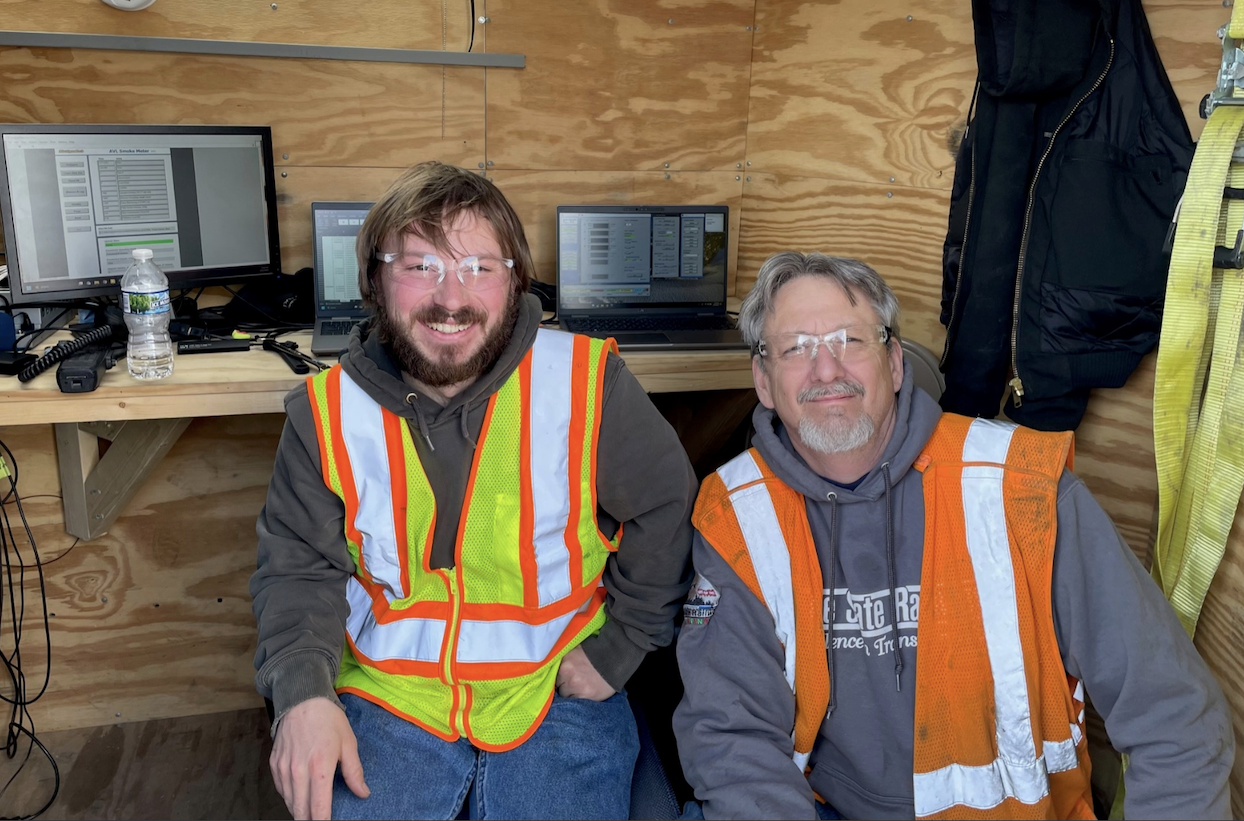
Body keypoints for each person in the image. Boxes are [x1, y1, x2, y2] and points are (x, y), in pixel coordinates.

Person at [673, 251, 1234, 820]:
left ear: (894, 363)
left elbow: (1175, 716)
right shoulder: (738, 515)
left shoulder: (1023, 490)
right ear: (763, 382)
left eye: (850, 340)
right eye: (796, 348)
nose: (826, 371)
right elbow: (732, 738)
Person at [250, 161, 697, 821]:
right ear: (374, 280)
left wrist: (622, 646)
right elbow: (295, 570)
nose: (451, 296)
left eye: (480, 268)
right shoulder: (323, 415)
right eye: (420, 266)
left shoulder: (585, 382)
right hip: (389, 696)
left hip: (559, 691)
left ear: (515, 282)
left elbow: (668, 509)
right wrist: (303, 696)